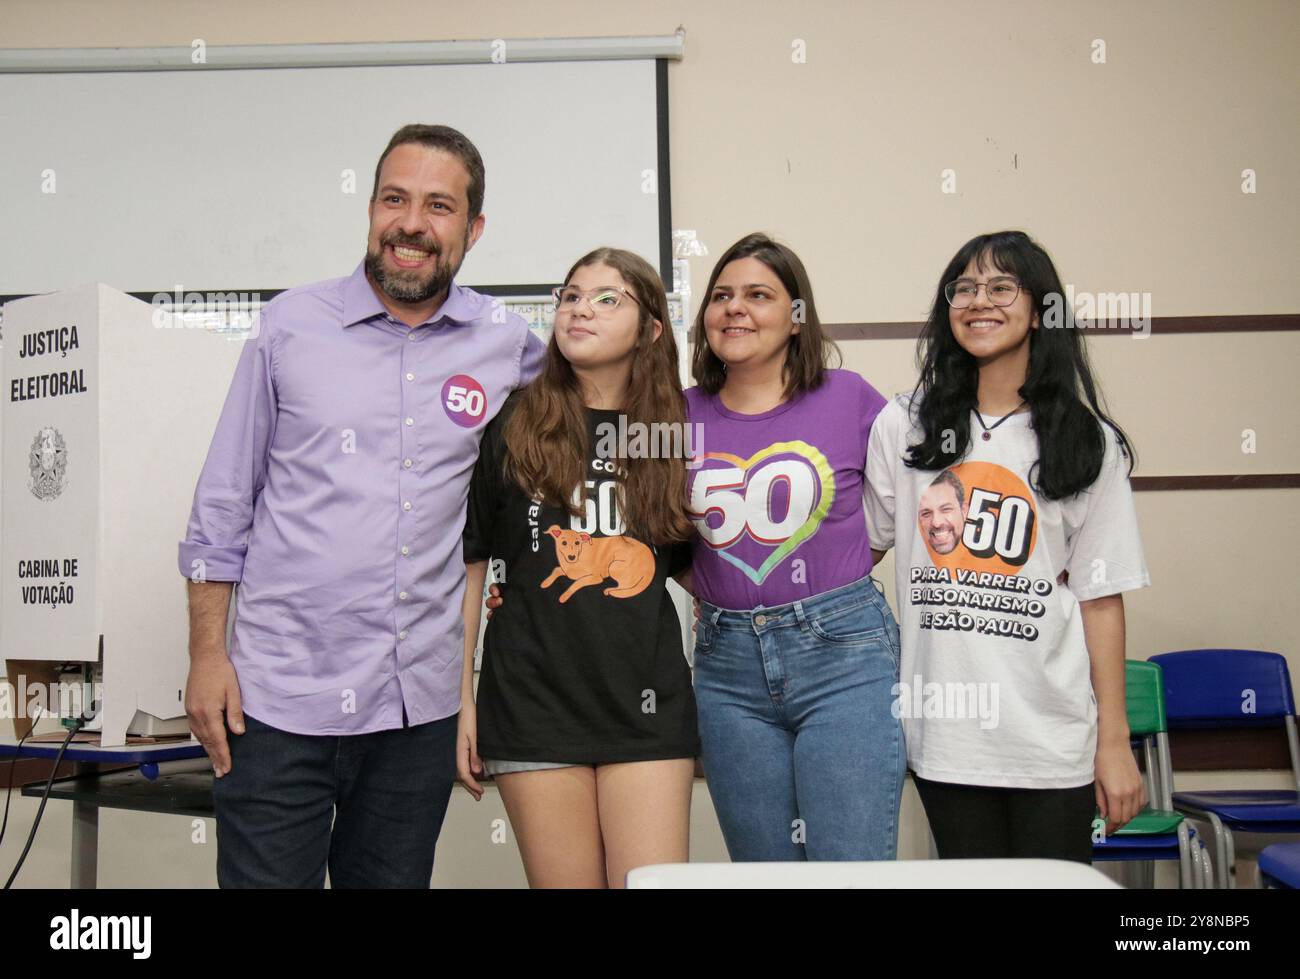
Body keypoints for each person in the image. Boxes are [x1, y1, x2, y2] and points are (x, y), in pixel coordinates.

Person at [179, 123, 545, 888]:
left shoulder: (507, 343)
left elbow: (601, 402)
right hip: (275, 705)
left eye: (439, 206)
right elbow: (223, 503)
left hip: (416, 710)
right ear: (372, 208)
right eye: (394, 199)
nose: (412, 224)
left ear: (473, 229)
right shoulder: (289, 326)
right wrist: (207, 654)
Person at [864, 229, 1149, 862]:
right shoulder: (904, 424)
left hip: (1050, 739)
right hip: (945, 736)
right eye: (962, 288)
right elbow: (860, 552)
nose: (978, 301)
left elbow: (1102, 600)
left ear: (1041, 306)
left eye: (1000, 287)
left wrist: (1113, 741)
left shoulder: (1086, 441)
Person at [457, 247, 699, 888]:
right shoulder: (514, 424)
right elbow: (474, 563)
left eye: (606, 298)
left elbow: (697, 569)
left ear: (650, 329)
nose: (579, 309)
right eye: (569, 296)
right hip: (532, 706)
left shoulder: (671, 432)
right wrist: (462, 701)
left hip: (646, 710)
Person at [685, 232, 904, 861]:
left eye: (758, 294)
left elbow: (894, 514)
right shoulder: (675, 416)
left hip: (845, 662)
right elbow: (658, 535)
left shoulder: (850, 396)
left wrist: (828, 590)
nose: (735, 308)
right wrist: (722, 592)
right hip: (726, 672)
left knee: (849, 871)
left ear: (796, 314)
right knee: (763, 875)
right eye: (722, 296)